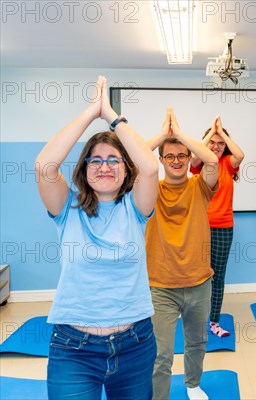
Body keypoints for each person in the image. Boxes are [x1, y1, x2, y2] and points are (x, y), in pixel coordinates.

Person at [35, 75, 159, 399]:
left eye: (113, 160)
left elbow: (149, 167)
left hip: (136, 344)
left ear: (125, 168)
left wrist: (112, 117)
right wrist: (91, 112)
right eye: (96, 160)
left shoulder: (136, 208)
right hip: (73, 348)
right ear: (85, 167)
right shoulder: (68, 207)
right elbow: (45, 167)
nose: (104, 167)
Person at [145, 108, 219, 400]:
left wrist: (180, 136)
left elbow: (212, 159)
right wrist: (164, 135)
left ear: (190, 159)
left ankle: (192, 385)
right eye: (170, 156)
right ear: (161, 161)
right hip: (160, 286)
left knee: (197, 342)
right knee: (160, 354)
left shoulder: (200, 186)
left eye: (182, 156)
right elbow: (129, 159)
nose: (176, 161)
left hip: (199, 282)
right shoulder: (150, 188)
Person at [189, 116, 245, 338]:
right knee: (197, 275)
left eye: (220, 143)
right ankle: (195, 317)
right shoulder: (198, 167)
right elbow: (194, 155)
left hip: (223, 227)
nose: (216, 146)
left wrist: (221, 133)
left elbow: (240, 154)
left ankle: (213, 321)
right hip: (199, 227)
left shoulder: (228, 165)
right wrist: (210, 134)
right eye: (212, 142)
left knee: (218, 276)